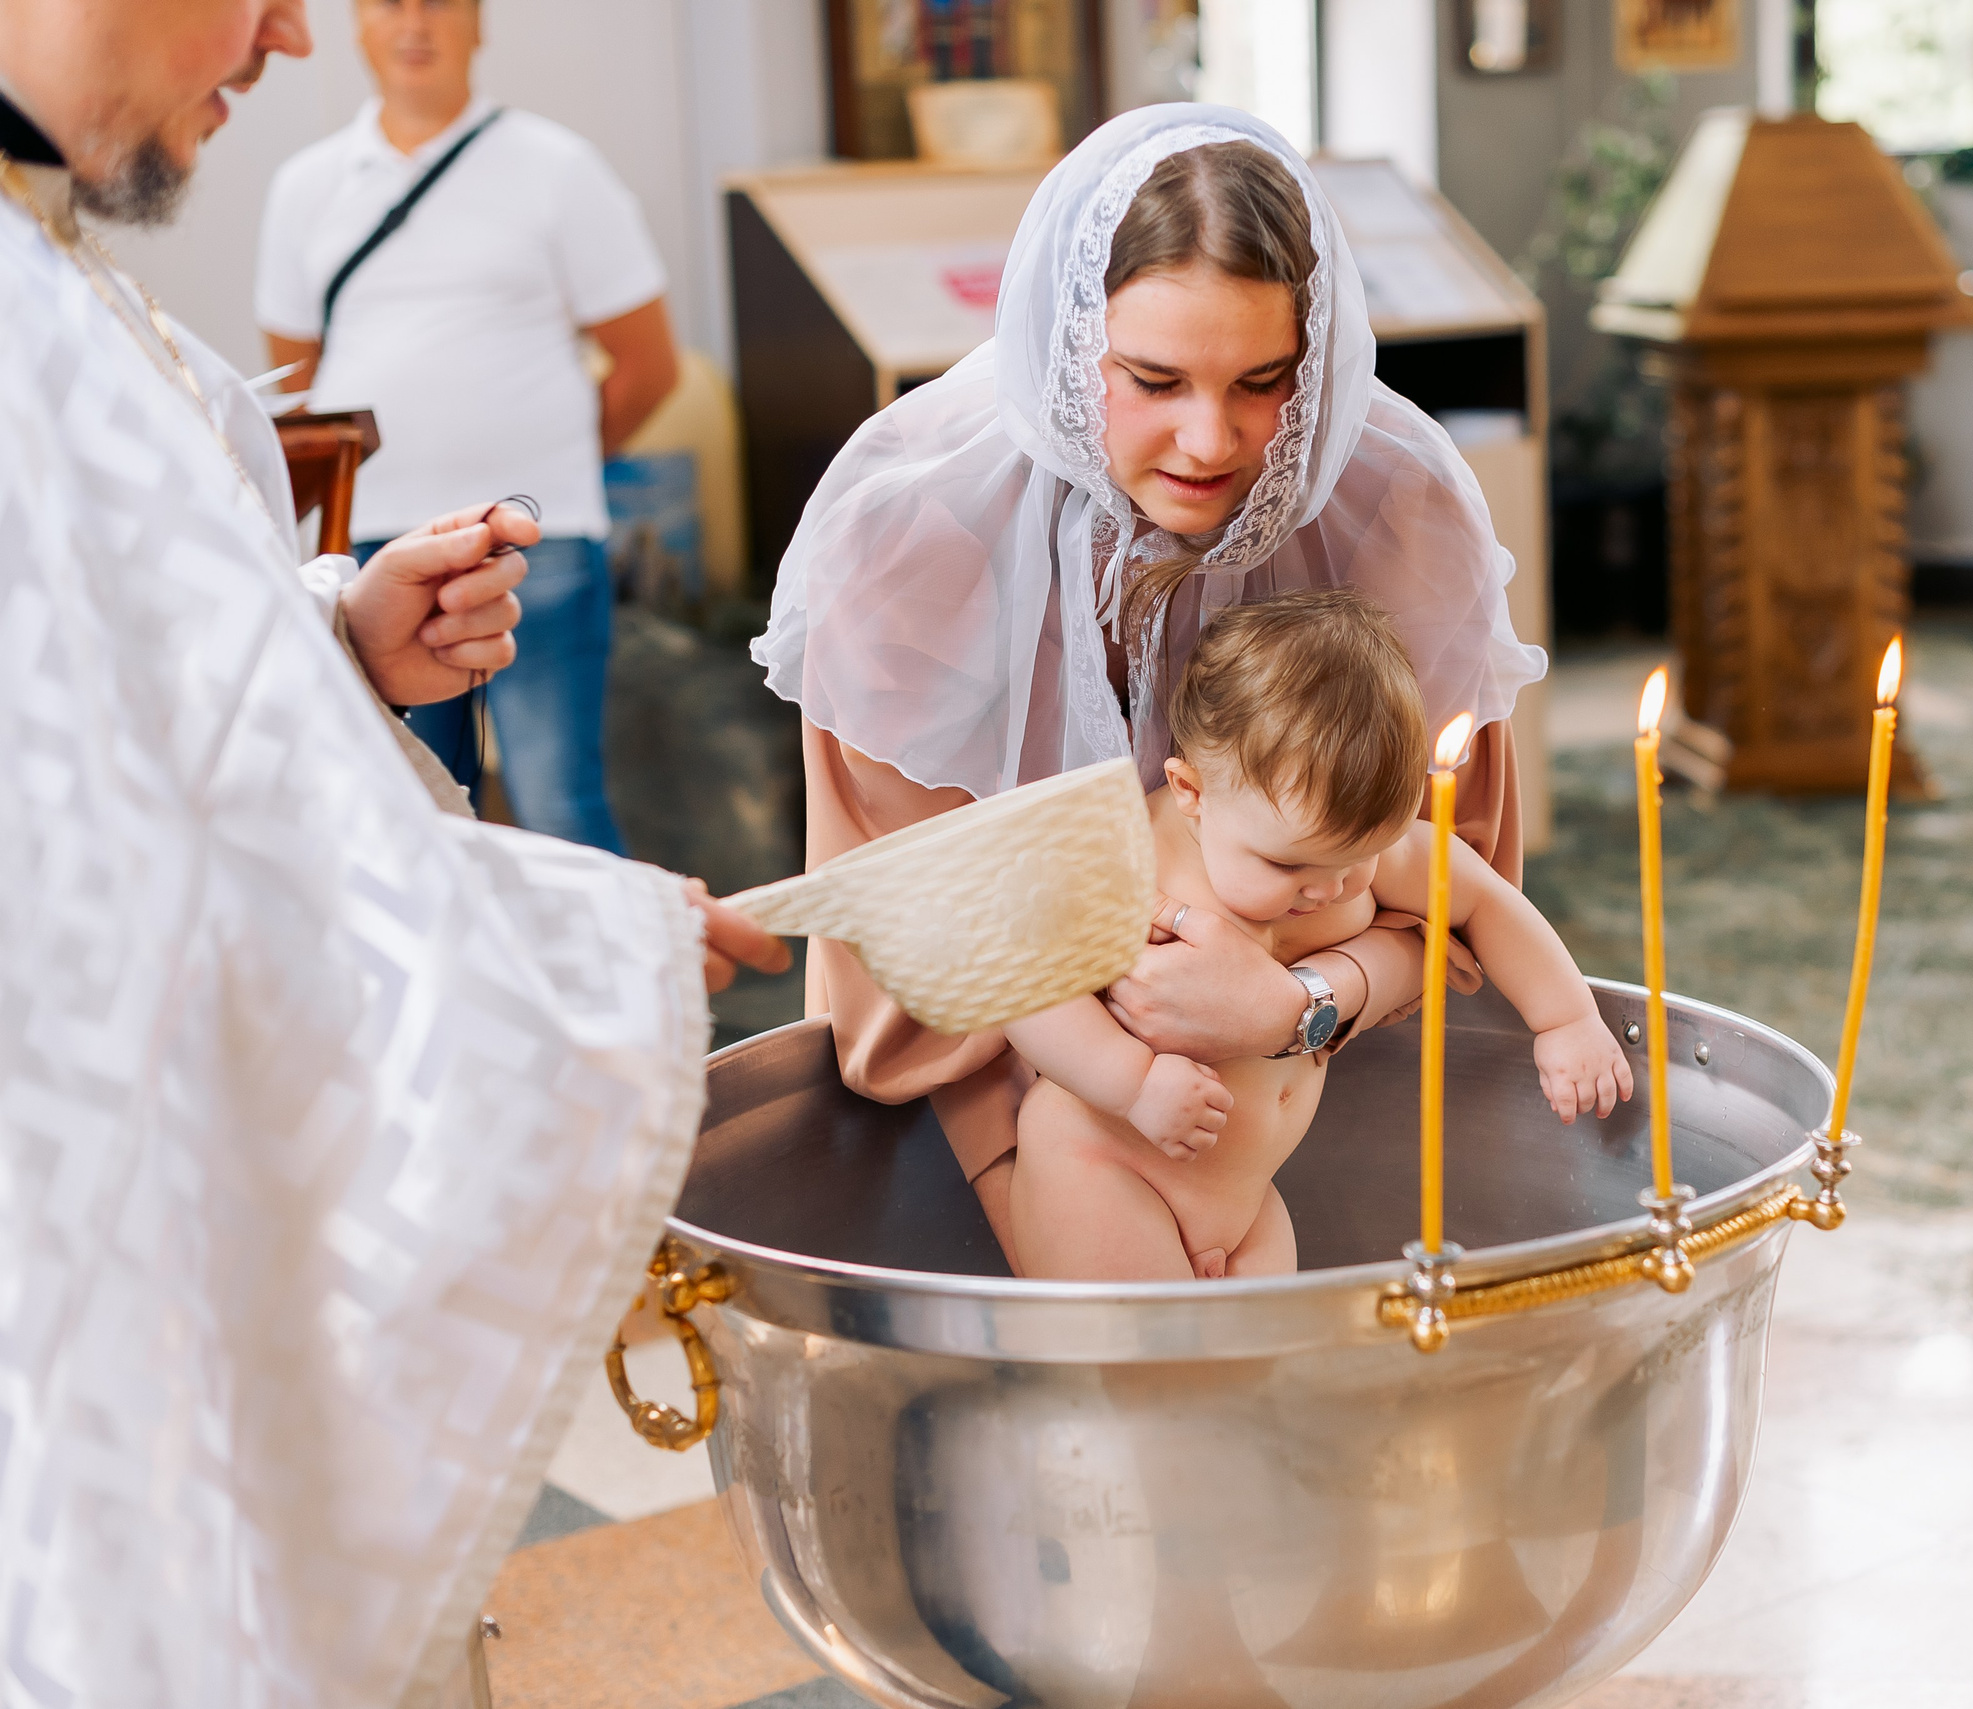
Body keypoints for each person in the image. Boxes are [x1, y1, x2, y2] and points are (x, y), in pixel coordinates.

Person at [0, 2, 787, 1703]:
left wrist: (335, 636)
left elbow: (133, 708)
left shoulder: (62, 285)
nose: (294, 28)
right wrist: (606, 954)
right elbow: (116, 879)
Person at [755, 108, 1547, 1268]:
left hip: (1303, 1121)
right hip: (990, 1136)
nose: (1208, 440)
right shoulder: (907, 540)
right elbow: (908, 953)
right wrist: (1050, 1199)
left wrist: (1296, 1005)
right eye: (1154, 378)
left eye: (1264, 380)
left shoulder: (1395, 511)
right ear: (1073, 342)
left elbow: (1450, 902)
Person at [1005, 591, 1630, 1280]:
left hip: (1246, 1199)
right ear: (1191, 792)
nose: (1326, 889)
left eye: (1353, 860)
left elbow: (1482, 899)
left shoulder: (1347, 847)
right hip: (1106, 1167)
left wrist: (1566, 1018)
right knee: (1150, 1376)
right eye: (1286, 863)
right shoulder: (1130, 854)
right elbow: (1027, 988)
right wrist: (1134, 1083)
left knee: (1264, 1375)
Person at [255, 0, 681, 852]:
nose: (415, 22)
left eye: (439, 1)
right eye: (389, 3)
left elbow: (647, 368)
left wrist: (546, 470)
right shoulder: (307, 186)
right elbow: (296, 387)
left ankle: (622, 987)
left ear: (479, 23)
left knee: (556, 804)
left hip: (535, 543)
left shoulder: (558, 168)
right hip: (369, 546)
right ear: (358, 25)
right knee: (407, 818)